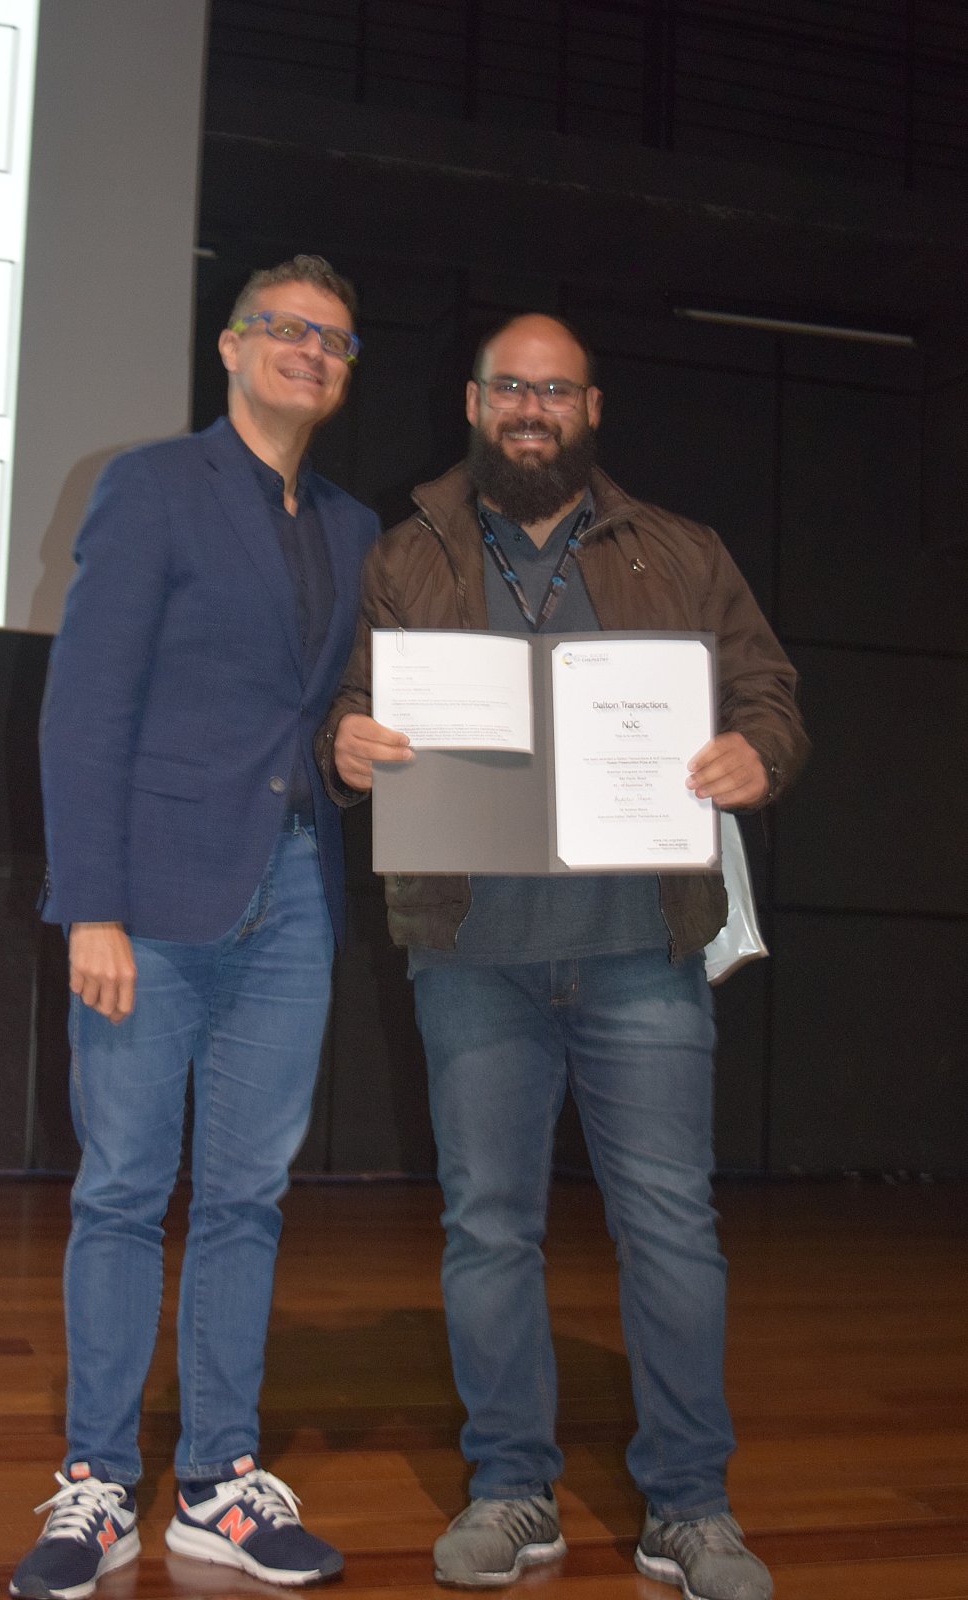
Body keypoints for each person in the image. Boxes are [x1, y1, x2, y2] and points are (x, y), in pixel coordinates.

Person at [320, 314, 808, 1599]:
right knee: (487, 1229)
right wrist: (347, 744)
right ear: (471, 403)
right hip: (471, 956)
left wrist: (757, 753)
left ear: (591, 408)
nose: (529, 408)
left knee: (671, 1232)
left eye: (554, 390)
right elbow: (353, 706)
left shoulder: (683, 551)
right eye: (508, 389)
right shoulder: (404, 553)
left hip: (641, 950)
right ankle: (511, 1489)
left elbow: (767, 693)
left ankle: (687, 1508)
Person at [11, 255, 379, 1600]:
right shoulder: (153, 484)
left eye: (333, 340)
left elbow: (311, 720)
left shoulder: (351, 526)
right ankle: (98, 1484)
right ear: (230, 347)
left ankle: (218, 1483)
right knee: (120, 1189)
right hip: (149, 903)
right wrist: (90, 904)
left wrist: (350, 750)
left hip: (293, 894)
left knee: (245, 1198)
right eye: (285, 328)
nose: (309, 351)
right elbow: (85, 707)